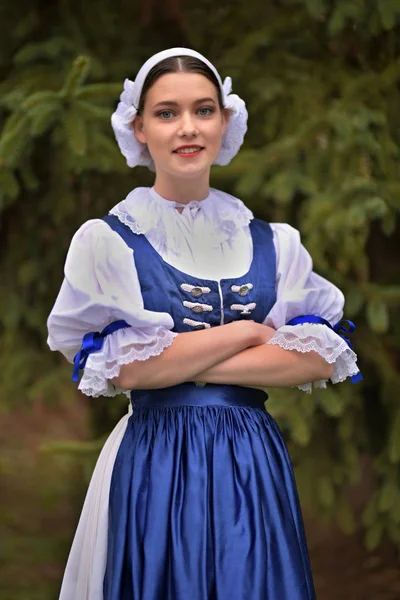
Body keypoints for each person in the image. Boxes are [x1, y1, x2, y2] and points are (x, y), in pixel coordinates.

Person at [47, 47, 361, 600]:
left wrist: (173, 360)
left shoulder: (274, 242)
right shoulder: (107, 241)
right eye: (167, 113)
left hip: (249, 461)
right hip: (154, 458)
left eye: (204, 110)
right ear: (139, 127)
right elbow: (128, 374)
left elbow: (317, 356)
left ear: (225, 119)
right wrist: (246, 333)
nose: (187, 128)